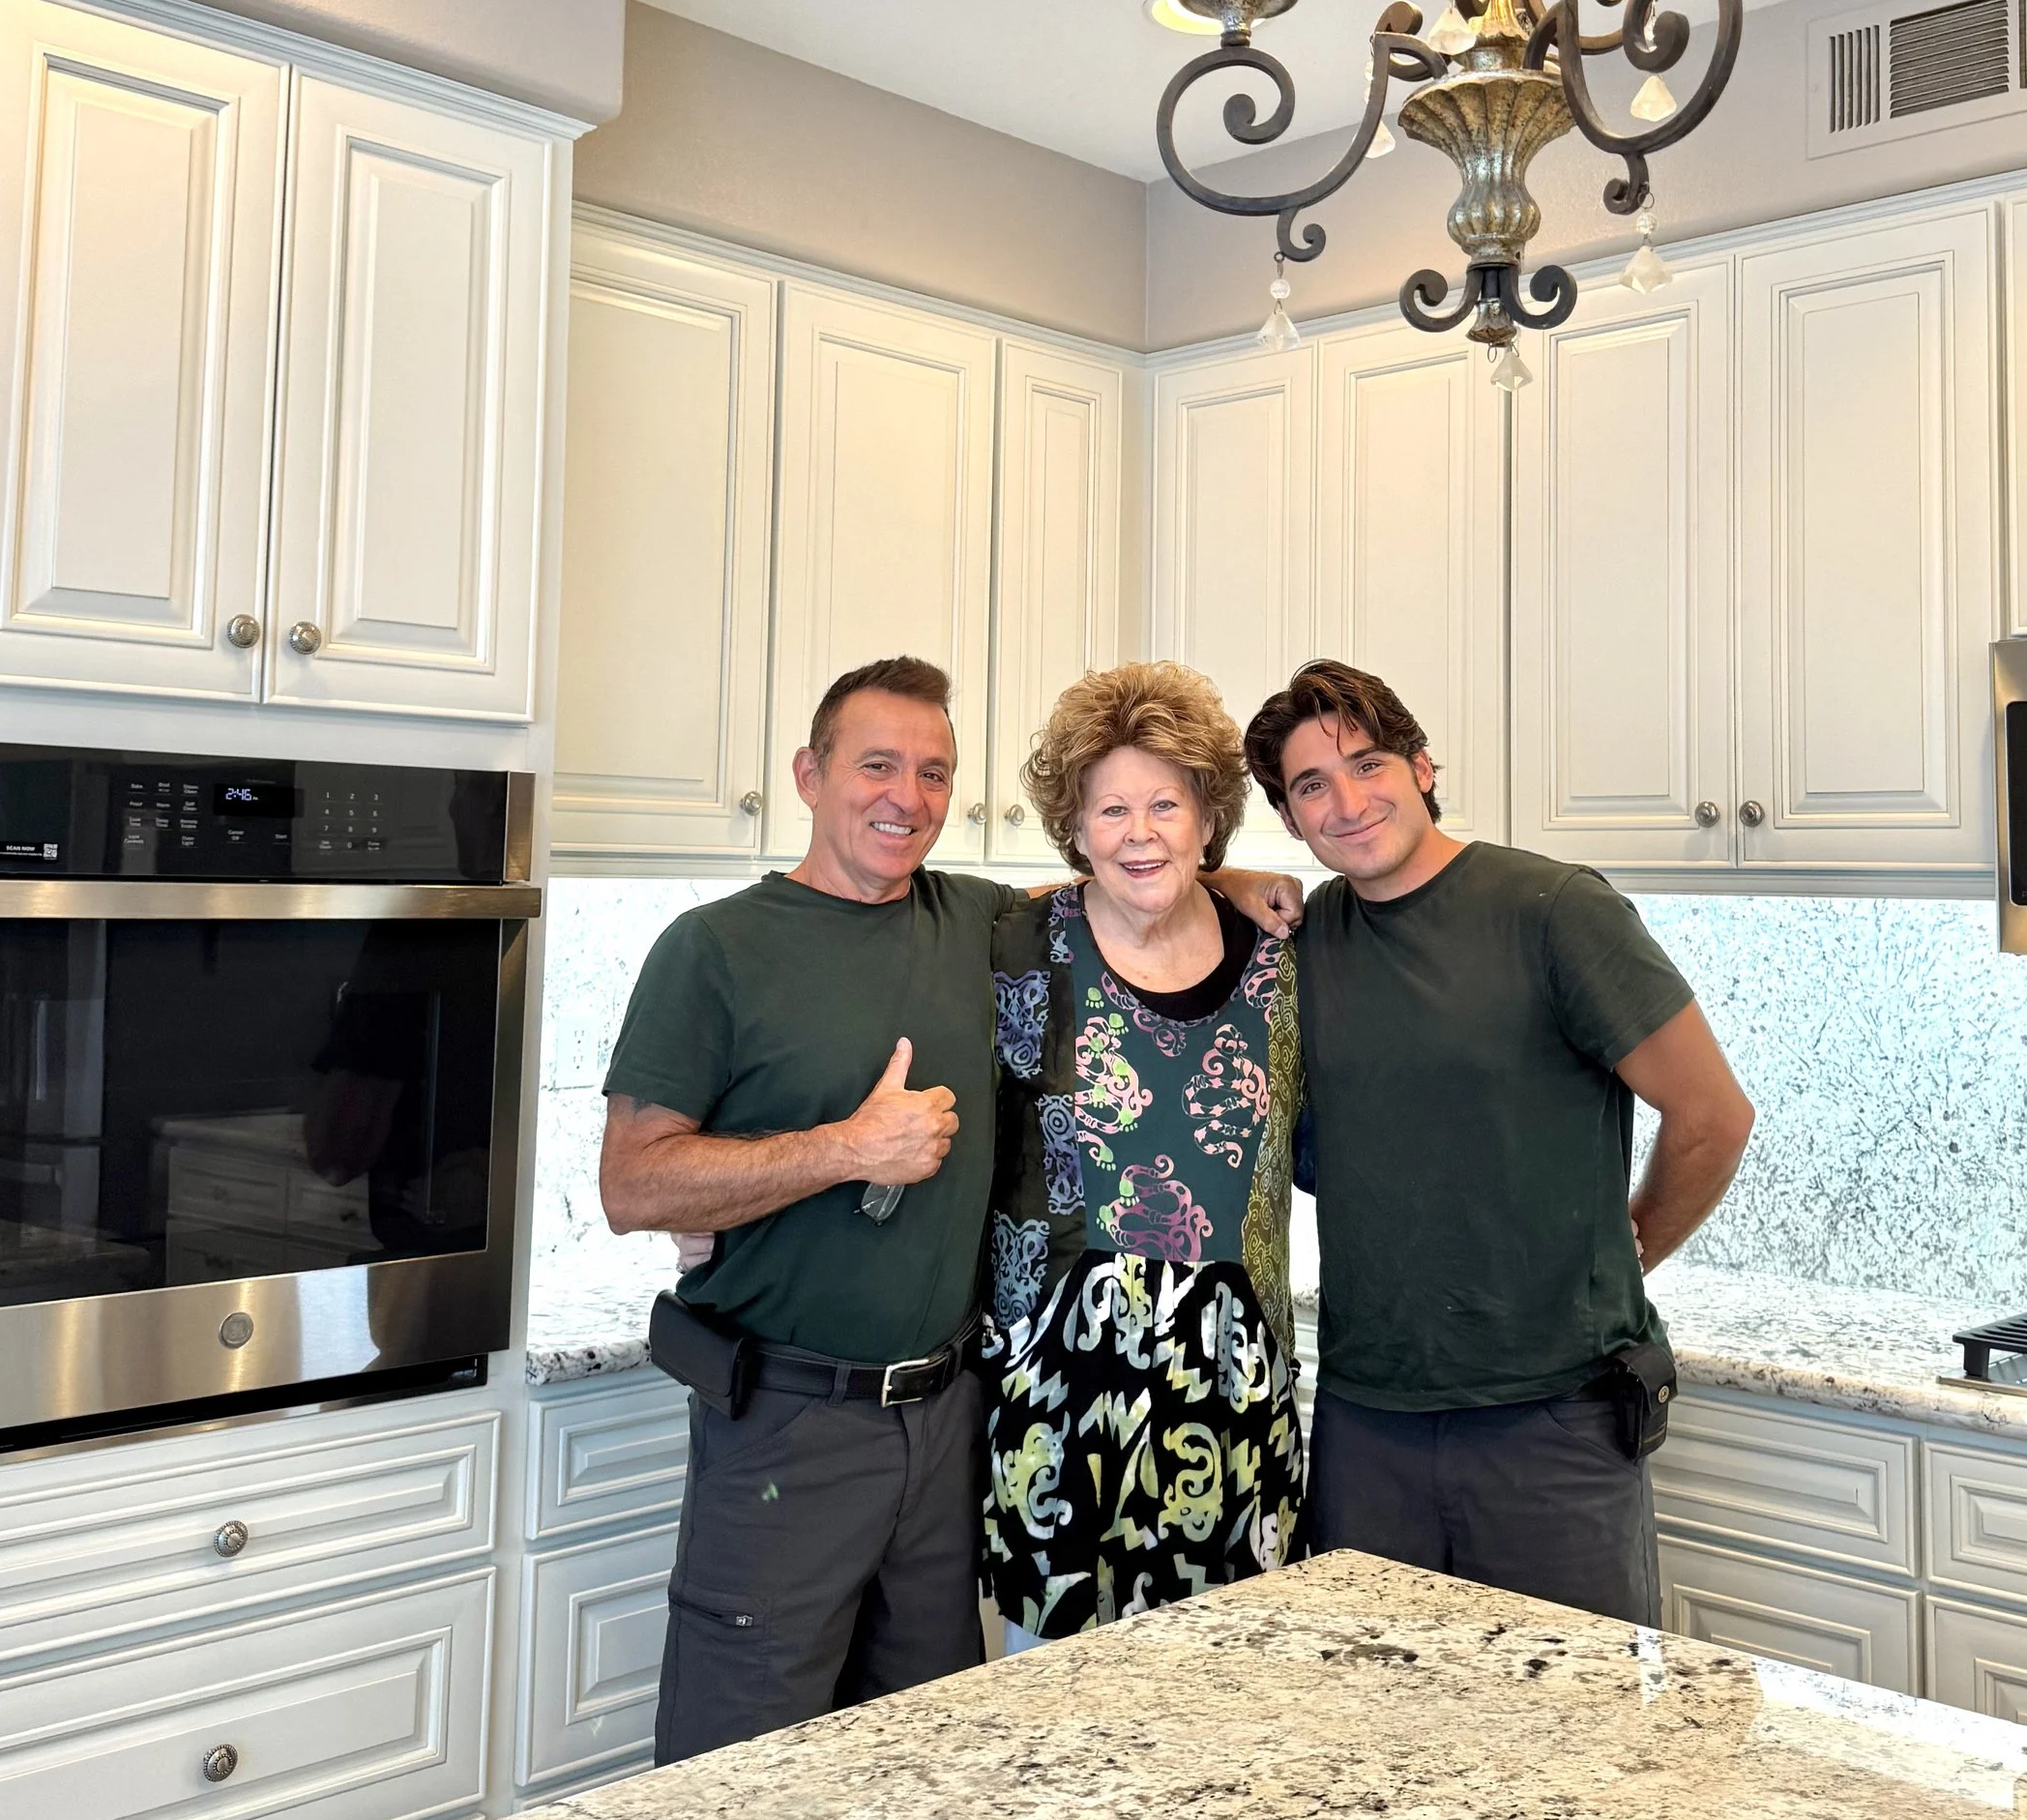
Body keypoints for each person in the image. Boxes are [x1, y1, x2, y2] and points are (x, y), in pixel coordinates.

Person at [600, 653, 1297, 1759]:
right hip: (789, 1415)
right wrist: (839, 1150)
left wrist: (1231, 878)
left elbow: (1121, 872)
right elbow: (633, 1183)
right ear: (807, 774)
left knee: (926, 1759)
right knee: (736, 1770)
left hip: (951, 1417)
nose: (907, 798)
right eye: (877, 765)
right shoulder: (716, 948)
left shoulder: (982, 926)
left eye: (934, 774)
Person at [1241, 658, 1755, 1626]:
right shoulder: (1305, 945)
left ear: (1423, 767)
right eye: (1311, 785)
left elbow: (1713, 1115)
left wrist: (1631, 1239)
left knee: (1574, 1730)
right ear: (1289, 817)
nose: (1347, 800)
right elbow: (1120, 886)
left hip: (1551, 1417)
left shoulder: (1554, 912)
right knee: (1379, 1729)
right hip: (1367, 1417)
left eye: (1369, 763)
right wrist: (1222, 878)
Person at [983, 660, 1304, 1644]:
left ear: (1208, 817)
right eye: (1109, 808)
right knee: (1051, 1710)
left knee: (1223, 1700)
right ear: (1073, 827)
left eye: (1167, 803)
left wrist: (1237, 887)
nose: (1139, 832)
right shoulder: (1013, 944)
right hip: (1053, 1394)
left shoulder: (1287, 958)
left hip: (1235, 1394)